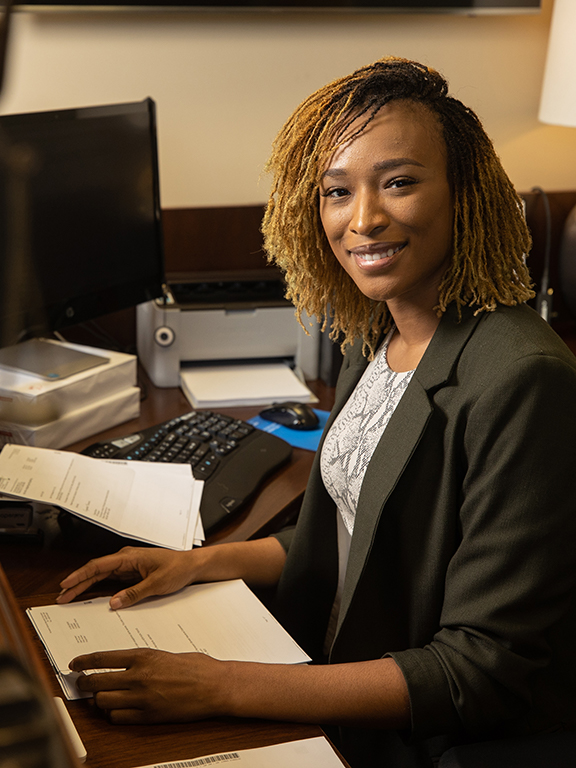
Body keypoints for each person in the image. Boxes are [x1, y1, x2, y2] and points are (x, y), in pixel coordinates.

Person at [56, 57, 576, 768]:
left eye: (399, 182)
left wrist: (221, 686)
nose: (363, 219)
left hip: (427, 738)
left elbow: (477, 671)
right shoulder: (377, 332)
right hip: (330, 669)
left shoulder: (525, 379)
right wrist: (196, 564)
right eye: (338, 191)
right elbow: (348, 525)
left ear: (465, 194)